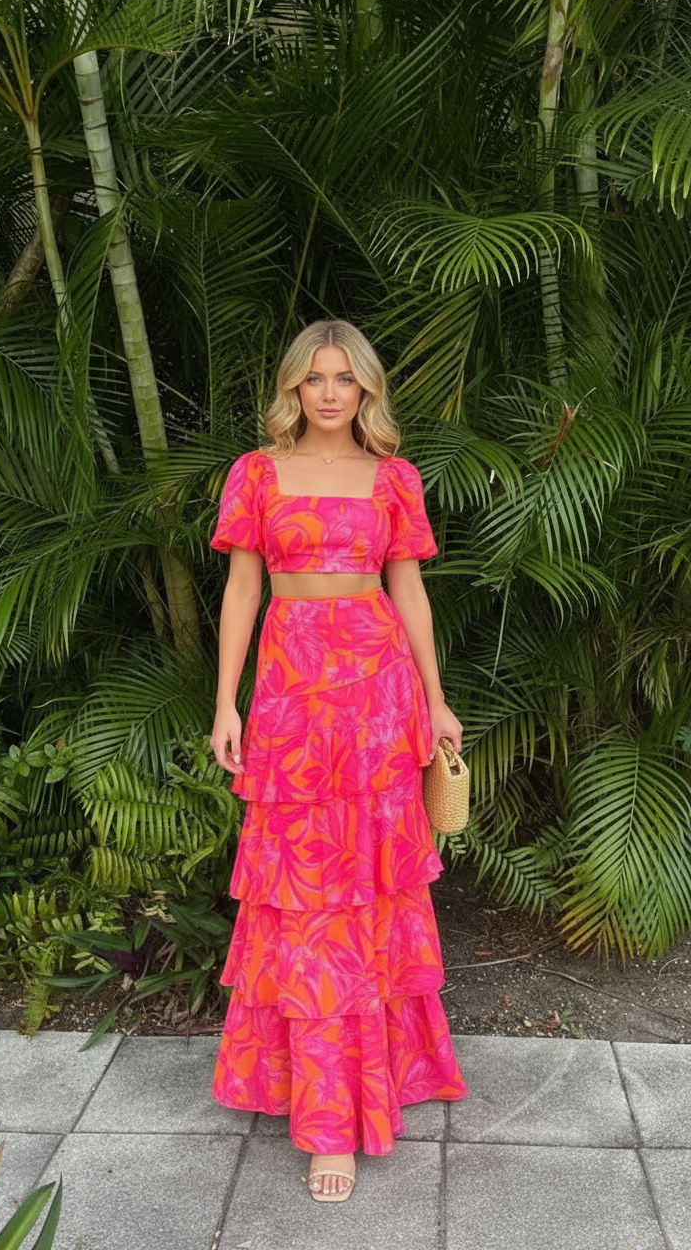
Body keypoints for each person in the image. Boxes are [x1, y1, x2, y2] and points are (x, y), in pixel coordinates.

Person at [209, 319, 468, 1203]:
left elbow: (410, 590)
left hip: (375, 696)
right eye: (313, 378)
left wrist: (434, 700)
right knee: (303, 896)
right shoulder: (255, 473)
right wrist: (225, 703)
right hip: (287, 698)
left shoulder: (395, 477)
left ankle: (355, 1098)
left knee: (366, 892)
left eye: (344, 379)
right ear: (292, 387)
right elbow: (243, 586)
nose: (328, 392)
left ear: (365, 390)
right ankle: (321, 1106)